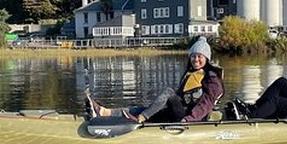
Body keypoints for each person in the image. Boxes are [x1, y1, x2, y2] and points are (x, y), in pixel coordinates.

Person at [86, 36, 224, 123]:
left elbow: (207, 104)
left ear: (207, 58)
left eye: (200, 56)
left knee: (169, 92)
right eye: (194, 56)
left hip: (193, 118)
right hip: (180, 113)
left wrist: (189, 119)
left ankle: (140, 119)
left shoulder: (212, 79)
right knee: (144, 108)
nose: (196, 59)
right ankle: (105, 112)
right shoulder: (191, 73)